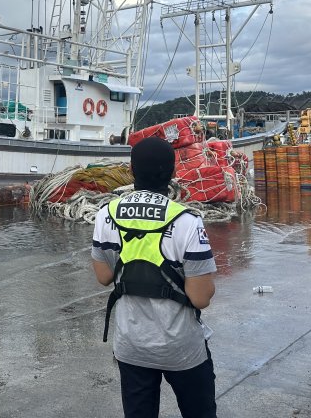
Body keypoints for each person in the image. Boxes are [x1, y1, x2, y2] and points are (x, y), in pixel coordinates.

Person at [91, 136, 217, 418]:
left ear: (132, 171)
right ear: (173, 173)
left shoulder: (106, 214)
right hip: (181, 347)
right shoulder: (187, 220)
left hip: (131, 345)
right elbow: (200, 298)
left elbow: (103, 276)